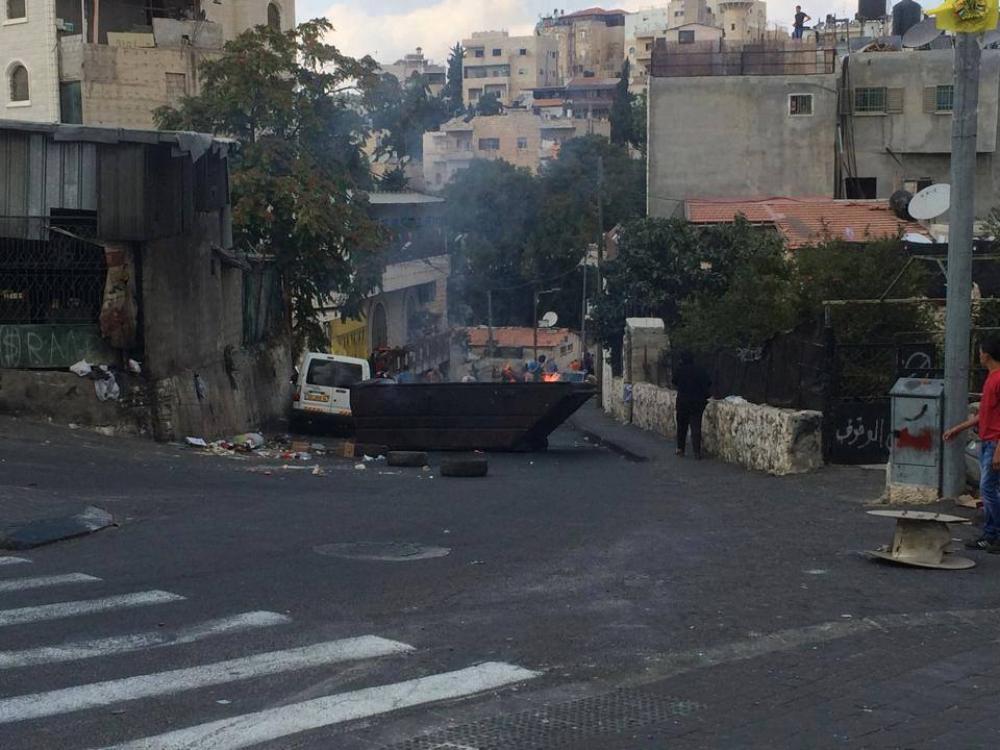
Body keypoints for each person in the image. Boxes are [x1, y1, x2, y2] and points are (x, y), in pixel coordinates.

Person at [944, 334, 1000, 552]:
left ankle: (995, 533)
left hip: (994, 443)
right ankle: (990, 534)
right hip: (988, 442)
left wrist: (998, 449)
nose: (979, 355)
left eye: (980, 352)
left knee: (988, 489)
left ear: (986, 354)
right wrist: (958, 428)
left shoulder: (997, 379)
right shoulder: (991, 378)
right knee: (989, 490)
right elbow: (984, 414)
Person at [673, 351, 712, 459]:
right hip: (697, 402)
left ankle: (680, 449)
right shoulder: (700, 370)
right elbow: (708, 382)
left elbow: (674, 381)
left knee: (682, 426)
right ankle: (697, 452)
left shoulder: (680, 370)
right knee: (696, 426)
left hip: (683, 402)